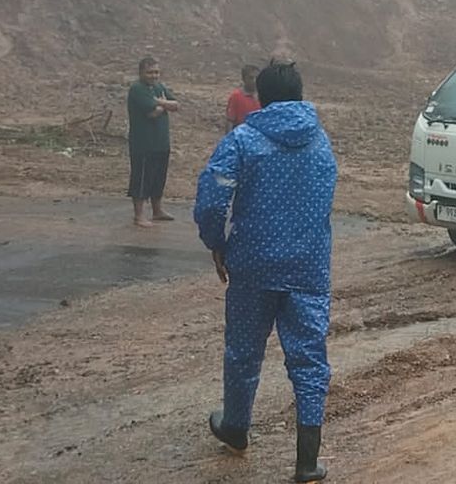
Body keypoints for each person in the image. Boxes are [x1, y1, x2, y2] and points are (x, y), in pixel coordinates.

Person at [193, 60, 337, 482]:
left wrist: (216, 243)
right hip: (308, 268)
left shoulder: (243, 140)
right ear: (300, 93)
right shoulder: (321, 142)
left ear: (261, 95)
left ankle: (236, 427)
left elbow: (212, 200)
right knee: (310, 362)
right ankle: (307, 461)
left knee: (243, 352)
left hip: (253, 266)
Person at [127, 57, 180, 228]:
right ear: (141, 72)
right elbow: (152, 113)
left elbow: (176, 105)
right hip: (143, 143)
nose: (154, 75)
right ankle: (139, 215)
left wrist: (159, 102)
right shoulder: (137, 89)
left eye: (156, 72)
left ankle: (157, 210)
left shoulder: (159, 87)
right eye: (150, 72)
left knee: (158, 178)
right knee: (142, 179)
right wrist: (163, 104)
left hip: (161, 142)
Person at [224, 64, 261, 133]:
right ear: (244, 79)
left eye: (257, 78)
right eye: (251, 78)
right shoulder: (236, 96)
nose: (254, 81)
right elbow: (230, 121)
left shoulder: (263, 96)